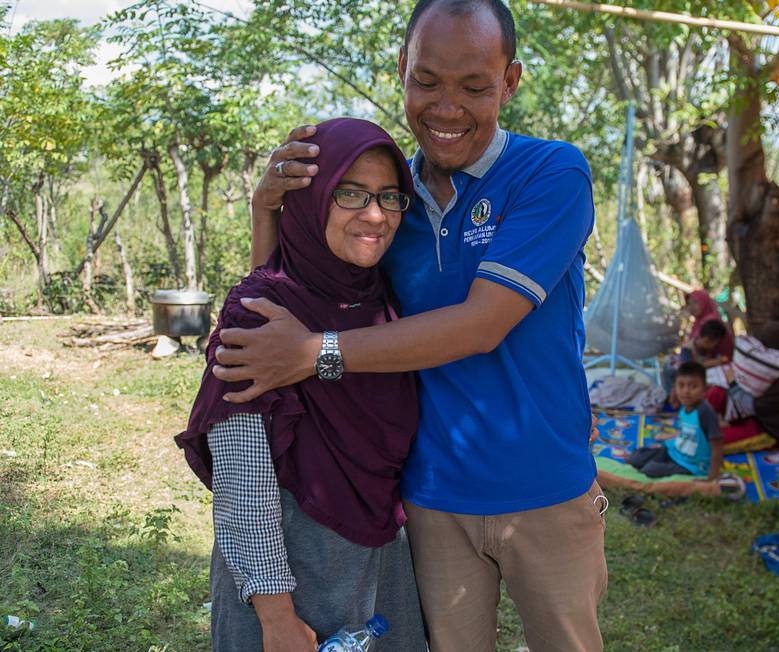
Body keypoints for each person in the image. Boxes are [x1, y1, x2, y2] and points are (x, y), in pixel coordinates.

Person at [210, 2, 608, 650]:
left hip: (547, 494)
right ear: (401, 70)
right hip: (430, 500)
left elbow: (482, 324)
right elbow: (297, 299)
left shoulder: (550, 174)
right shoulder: (390, 197)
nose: (447, 107)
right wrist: (266, 211)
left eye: (475, 86)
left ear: (510, 82)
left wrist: (316, 353)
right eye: (427, 81)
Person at [175, 118, 427, 652]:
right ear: (310, 198)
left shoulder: (382, 300)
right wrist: (276, 615)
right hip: (288, 572)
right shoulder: (261, 307)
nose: (376, 215)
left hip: (378, 564)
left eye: (389, 196)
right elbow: (242, 474)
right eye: (351, 193)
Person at [706, 320, 779, 448]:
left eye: (764, 346)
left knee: (709, 441)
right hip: (753, 417)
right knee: (717, 393)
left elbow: (761, 407)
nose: (761, 351)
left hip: (769, 430)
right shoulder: (770, 368)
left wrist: (734, 388)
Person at [628, 361, 724, 480]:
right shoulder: (685, 406)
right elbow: (688, 430)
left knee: (649, 470)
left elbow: (717, 444)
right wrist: (669, 436)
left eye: (693, 386)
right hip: (675, 450)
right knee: (636, 458)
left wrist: (712, 476)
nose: (686, 391)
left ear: (704, 388)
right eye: (681, 386)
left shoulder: (705, 412)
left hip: (691, 465)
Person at [664, 318, 729, 408]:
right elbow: (687, 369)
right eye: (714, 343)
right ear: (707, 340)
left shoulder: (708, 349)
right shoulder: (687, 349)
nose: (715, 346)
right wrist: (712, 363)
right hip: (675, 372)